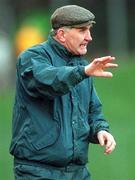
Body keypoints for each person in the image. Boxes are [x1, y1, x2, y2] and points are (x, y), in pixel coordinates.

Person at [10, 5, 118, 180]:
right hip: (37, 172)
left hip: (78, 172)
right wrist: (82, 72)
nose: (89, 37)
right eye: (82, 30)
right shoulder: (32, 57)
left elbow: (93, 111)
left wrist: (100, 130)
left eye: (89, 30)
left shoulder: (82, 66)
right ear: (61, 34)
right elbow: (49, 80)